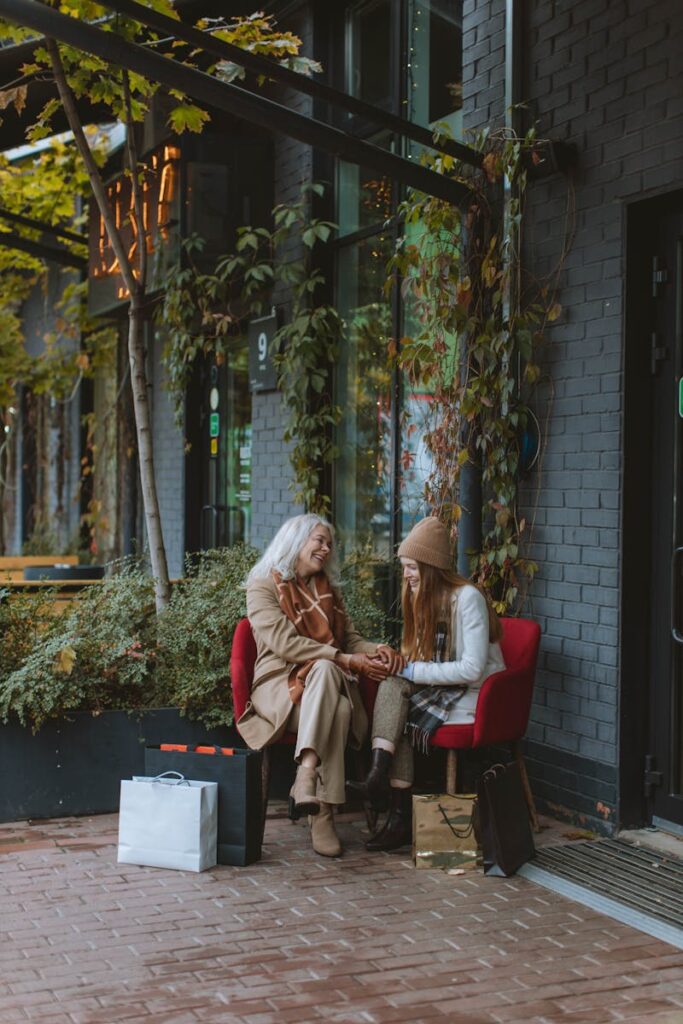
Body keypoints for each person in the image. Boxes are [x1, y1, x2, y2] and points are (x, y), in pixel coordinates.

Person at [237, 513, 404, 858]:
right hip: (278, 687)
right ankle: (324, 814)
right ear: (296, 541)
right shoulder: (262, 586)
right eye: (319, 540)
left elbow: (352, 640)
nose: (326, 548)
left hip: (320, 691)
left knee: (332, 687)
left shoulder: (328, 590)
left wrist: (378, 649)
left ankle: (307, 776)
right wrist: (342, 659)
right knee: (336, 693)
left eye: (329, 543)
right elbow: (286, 644)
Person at [351, 516, 505, 852]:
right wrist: (398, 663)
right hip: (445, 689)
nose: (405, 575)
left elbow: (472, 669)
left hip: (477, 697)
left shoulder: (467, 599)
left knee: (401, 708)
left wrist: (412, 671)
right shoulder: (424, 598)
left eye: (411, 567)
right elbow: (421, 660)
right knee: (393, 684)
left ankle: (396, 810)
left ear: (431, 566)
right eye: (404, 567)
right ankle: (383, 784)